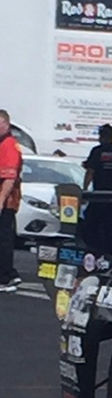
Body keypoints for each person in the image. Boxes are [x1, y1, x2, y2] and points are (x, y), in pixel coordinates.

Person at [82, 123, 112, 259]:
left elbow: (90, 172)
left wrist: (85, 191)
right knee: (111, 230)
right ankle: (110, 257)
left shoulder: (97, 151)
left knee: (91, 226)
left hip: (99, 197)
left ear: (101, 137)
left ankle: (93, 255)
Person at [0, 109, 23, 293]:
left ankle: (6, 277)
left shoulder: (9, 145)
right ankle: (9, 274)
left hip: (6, 202)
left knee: (3, 239)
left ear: (6, 124)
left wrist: (1, 200)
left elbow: (9, 176)